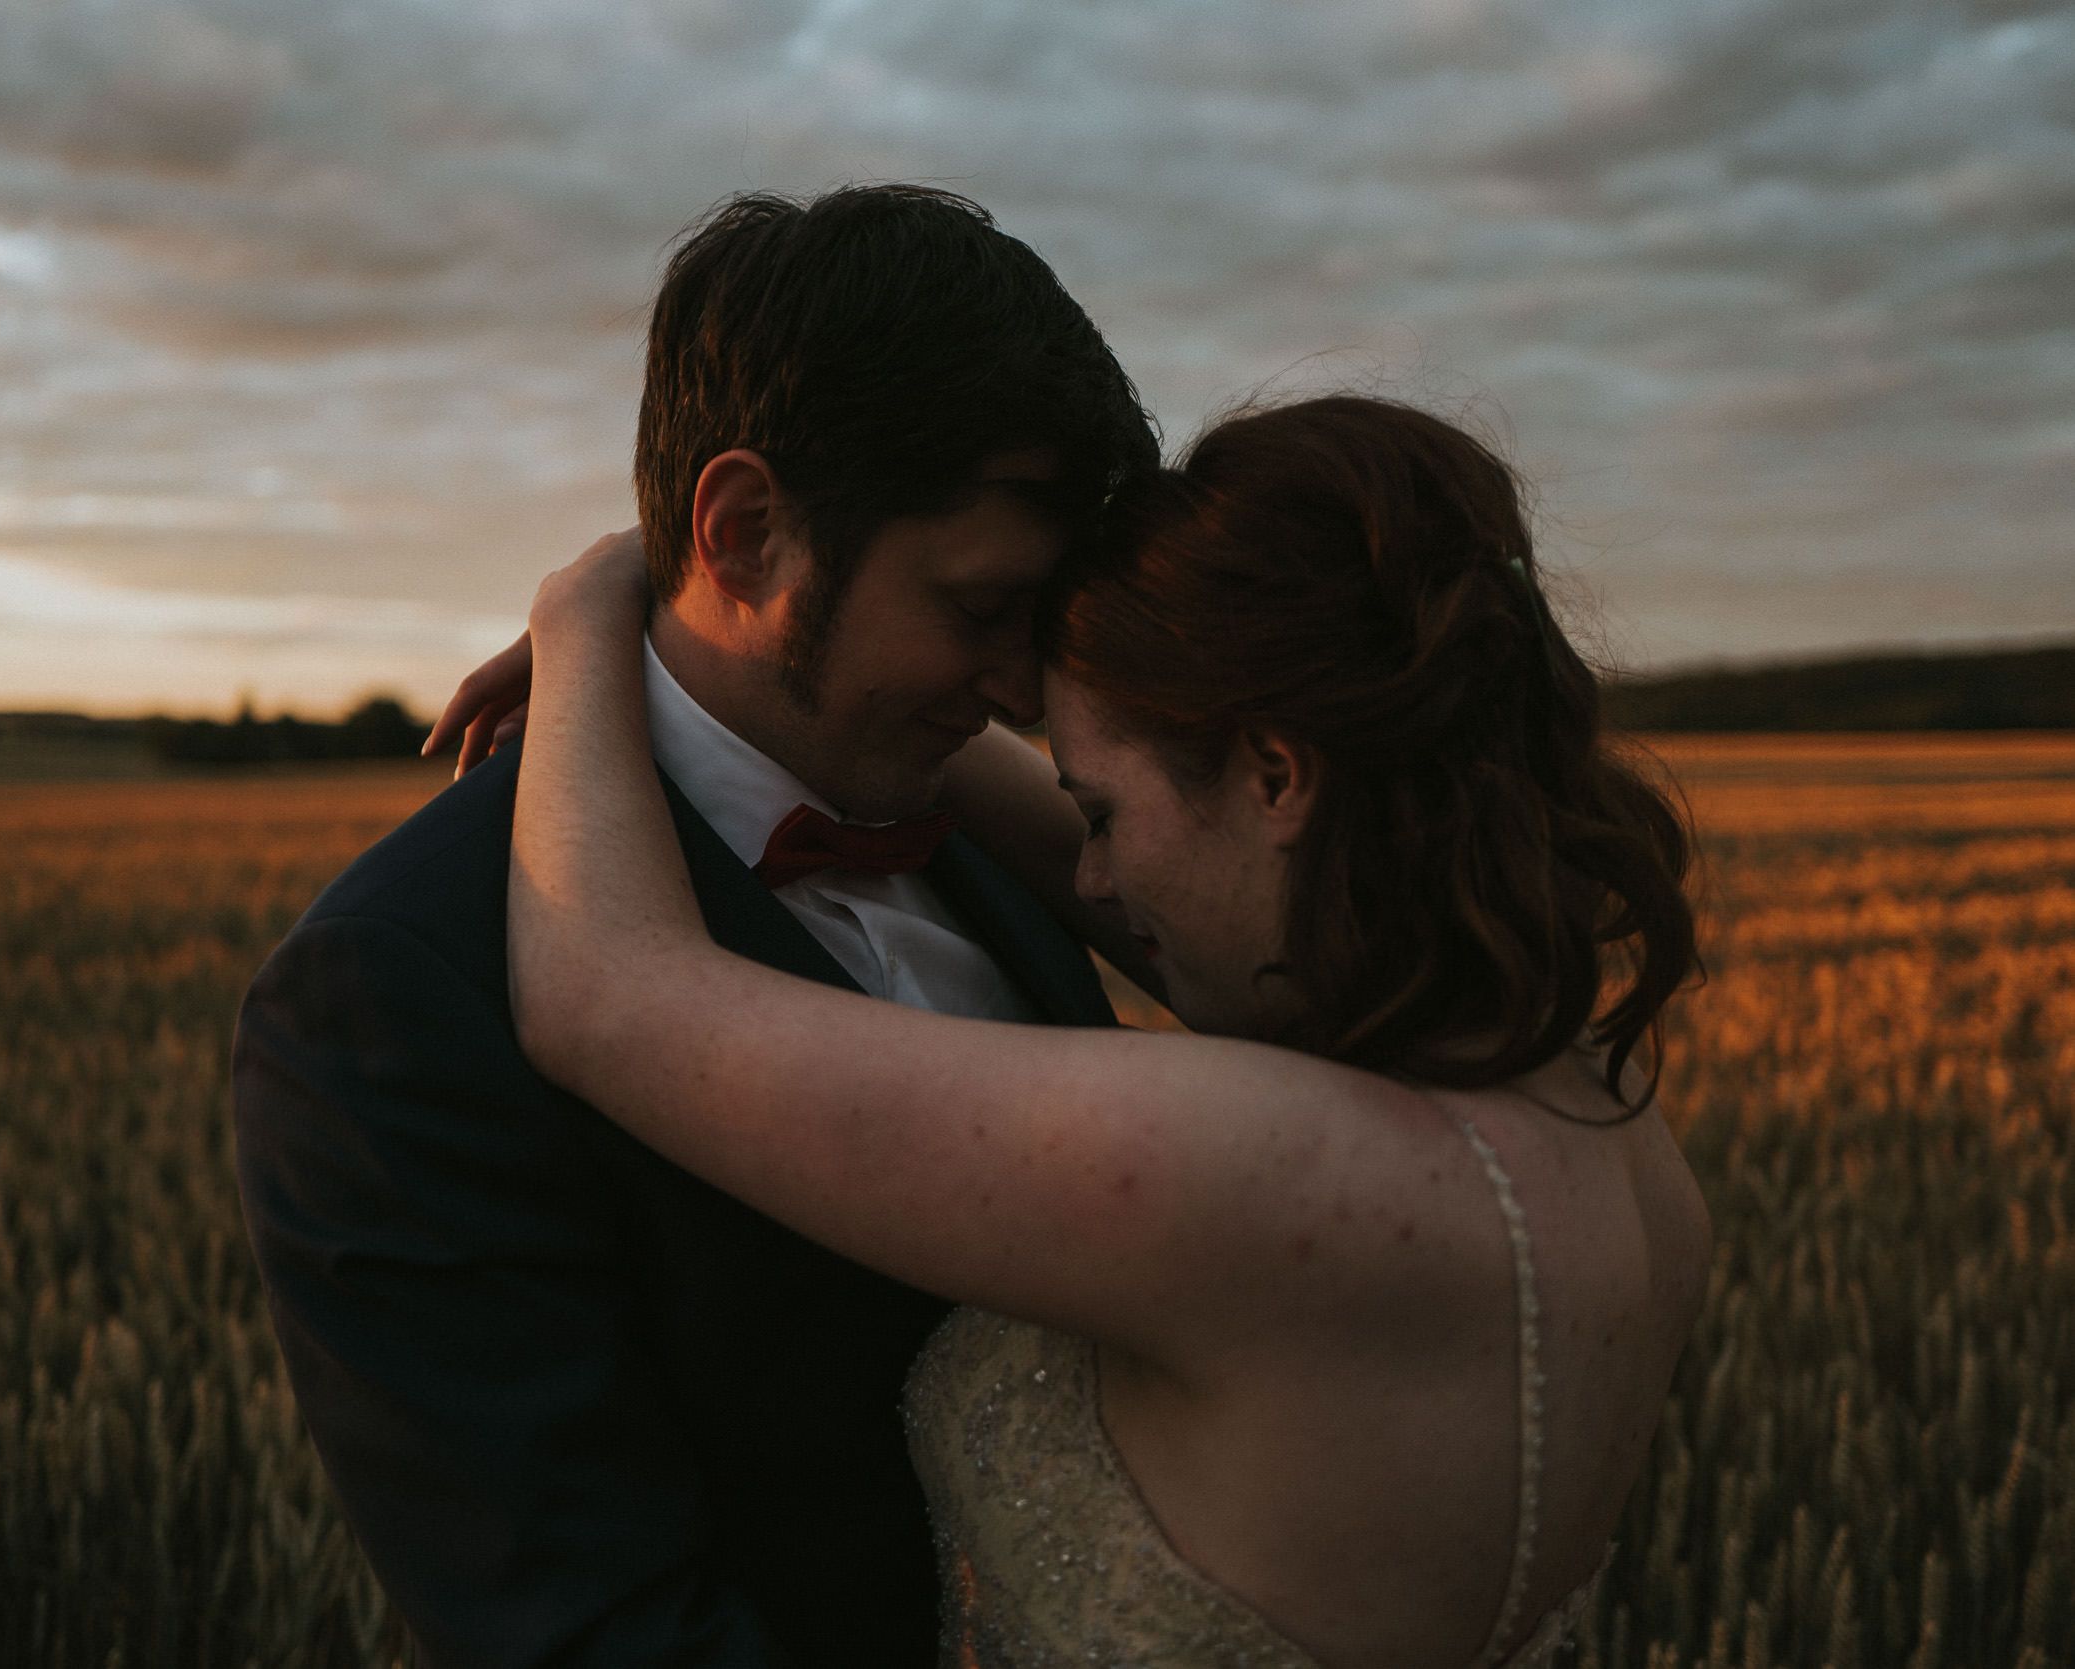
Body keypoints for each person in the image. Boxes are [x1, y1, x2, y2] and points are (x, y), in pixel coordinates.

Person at [453, 393, 1714, 1668]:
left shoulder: (1268, 1179)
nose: (1092, 878)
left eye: (1103, 813)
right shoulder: (1618, 1144)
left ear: (1278, 774)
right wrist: (729, 622)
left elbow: (605, 997)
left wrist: (600, 601)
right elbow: (1047, 809)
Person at [230, 183, 1157, 1668]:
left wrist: (601, 592)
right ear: (742, 530)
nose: (1026, 692)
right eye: (983, 608)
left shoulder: (1017, 843)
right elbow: (593, 1626)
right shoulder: (397, 988)